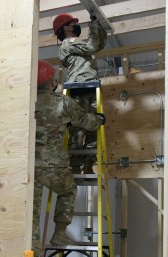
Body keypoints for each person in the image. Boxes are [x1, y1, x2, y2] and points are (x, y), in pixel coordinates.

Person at [33, 60, 104, 255]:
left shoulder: (26, 102)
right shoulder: (62, 102)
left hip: (28, 168)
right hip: (53, 167)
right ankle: (60, 232)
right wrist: (100, 119)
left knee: (31, 216)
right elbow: (87, 122)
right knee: (68, 190)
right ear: (51, 82)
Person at [53, 11, 108, 160]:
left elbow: (98, 44)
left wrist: (100, 27)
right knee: (78, 129)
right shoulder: (68, 42)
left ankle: (89, 167)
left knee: (92, 128)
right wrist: (94, 25)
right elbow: (92, 47)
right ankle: (76, 167)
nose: (76, 25)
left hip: (87, 84)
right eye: (72, 23)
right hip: (79, 85)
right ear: (65, 28)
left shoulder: (77, 43)